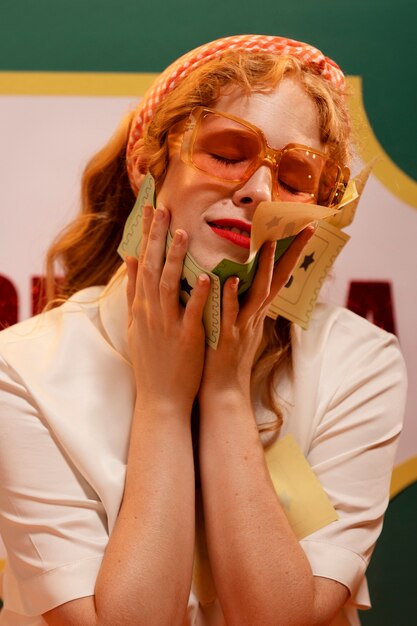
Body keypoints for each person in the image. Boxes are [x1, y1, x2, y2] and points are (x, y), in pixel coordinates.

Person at [0, 34, 407, 626]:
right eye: (227, 152)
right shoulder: (21, 368)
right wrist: (164, 402)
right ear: (148, 163)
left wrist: (223, 392)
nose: (258, 191)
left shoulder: (360, 362)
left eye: (295, 177)